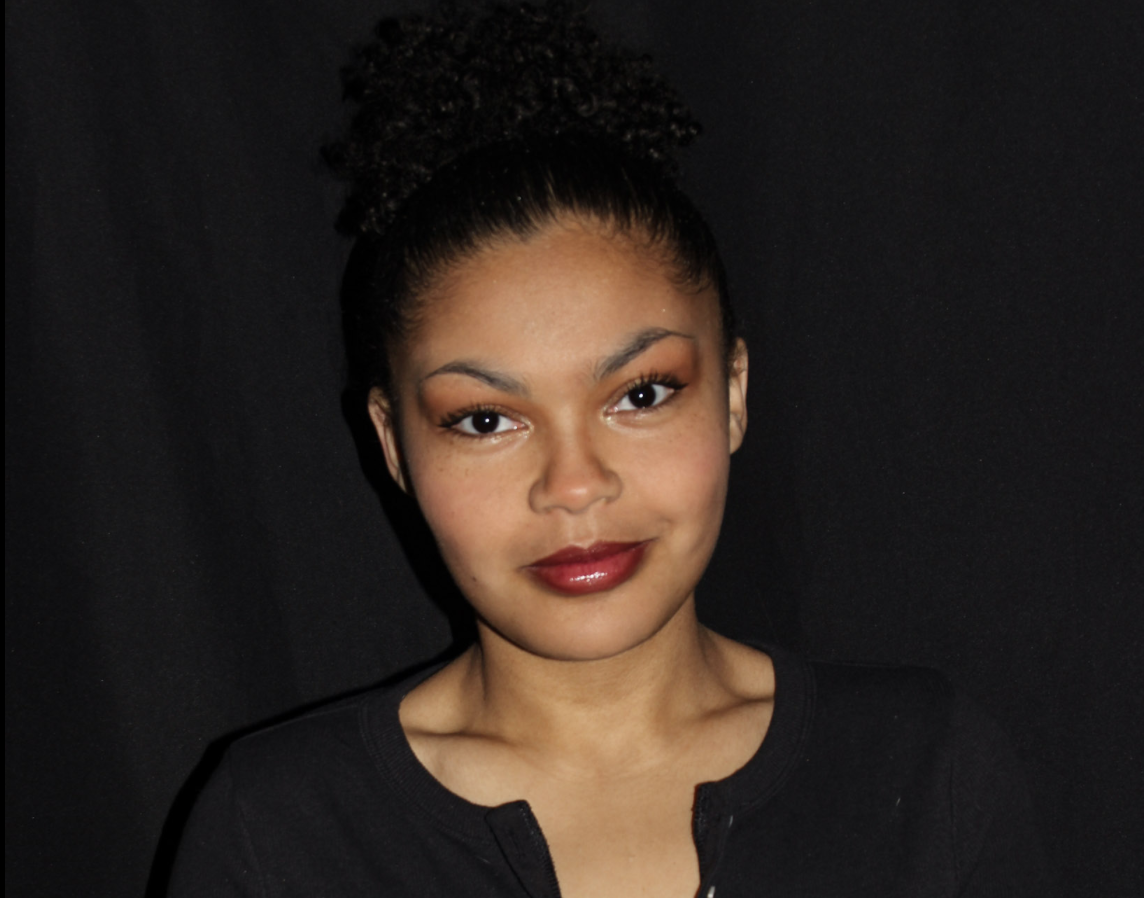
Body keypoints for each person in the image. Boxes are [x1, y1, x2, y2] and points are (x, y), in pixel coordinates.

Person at [168, 3, 1050, 895]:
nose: (575, 485)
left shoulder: (928, 773)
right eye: (486, 420)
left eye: (640, 394)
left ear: (733, 394)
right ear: (394, 446)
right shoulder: (275, 832)